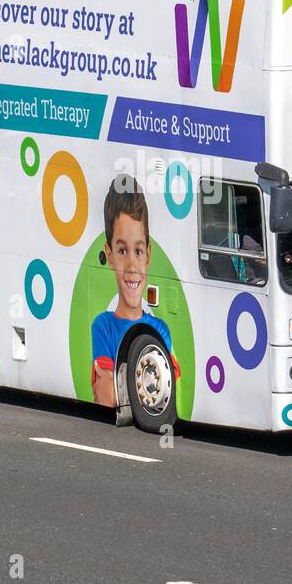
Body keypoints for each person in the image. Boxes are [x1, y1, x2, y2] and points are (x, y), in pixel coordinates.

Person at [90, 174, 177, 408]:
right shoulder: (103, 326)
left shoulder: (161, 329)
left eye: (138, 251)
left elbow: (171, 396)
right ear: (109, 255)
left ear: (148, 254)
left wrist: (115, 380)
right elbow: (106, 398)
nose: (131, 266)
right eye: (121, 251)